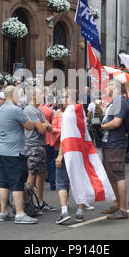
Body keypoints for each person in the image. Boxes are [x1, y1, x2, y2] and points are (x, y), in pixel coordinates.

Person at [0, 86, 38, 224]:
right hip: (14, 152)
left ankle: (3, 212)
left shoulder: (0, 108)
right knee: (17, 183)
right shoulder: (15, 110)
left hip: (2, 150)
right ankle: (20, 213)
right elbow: (30, 126)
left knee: (4, 182)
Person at [54, 89, 86, 224]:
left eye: (65, 97)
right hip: (81, 151)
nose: (62, 99)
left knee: (61, 182)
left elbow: (65, 136)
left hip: (68, 151)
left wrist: (60, 155)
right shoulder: (81, 111)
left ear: (70, 98)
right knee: (80, 181)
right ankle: (79, 212)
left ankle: (64, 211)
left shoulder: (67, 113)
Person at [100, 80, 129, 220]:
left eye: (107, 85)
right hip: (109, 143)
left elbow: (117, 122)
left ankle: (122, 209)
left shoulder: (120, 101)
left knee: (118, 175)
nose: (106, 87)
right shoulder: (114, 101)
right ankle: (117, 205)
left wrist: (102, 126)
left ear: (114, 86)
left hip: (116, 143)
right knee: (112, 175)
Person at [24, 87, 56, 212]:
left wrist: (43, 125)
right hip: (32, 146)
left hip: (40, 145)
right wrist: (43, 125)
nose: (43, 97)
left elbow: (50, 127)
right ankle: (29, 204)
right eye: (40, 94)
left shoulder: (38, 110)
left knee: (41, 174)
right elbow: (43, 129)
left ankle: (40, 202)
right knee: (32, 174)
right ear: (33, 96)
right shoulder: (30, 110)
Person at [39, 100, 57, 191]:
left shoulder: (33, 110)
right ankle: (53, 183)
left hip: (38, 140)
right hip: (49, 139)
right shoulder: (49, 111)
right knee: (51, 162)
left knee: (39, 163)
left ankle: (36, 184)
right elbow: (52, 125)